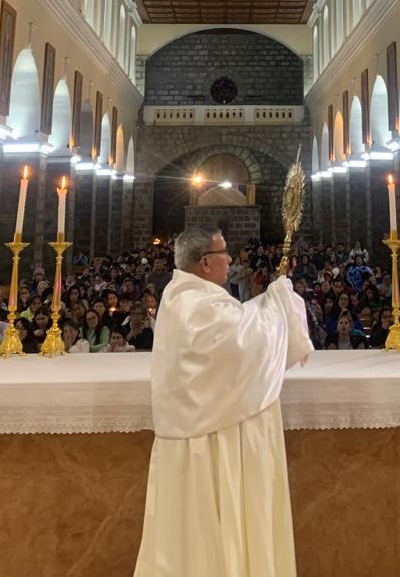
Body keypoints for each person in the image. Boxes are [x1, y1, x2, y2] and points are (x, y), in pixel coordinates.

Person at [133, 225, 312, 577]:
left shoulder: (182, 295)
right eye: (224, 253)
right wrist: (279, 302)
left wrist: (271, 300)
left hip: (197, 437)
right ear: (204, 262)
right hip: (205, 443)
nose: (230, 259)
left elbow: (237, 327)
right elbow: (244, 344)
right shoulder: (195, 303)